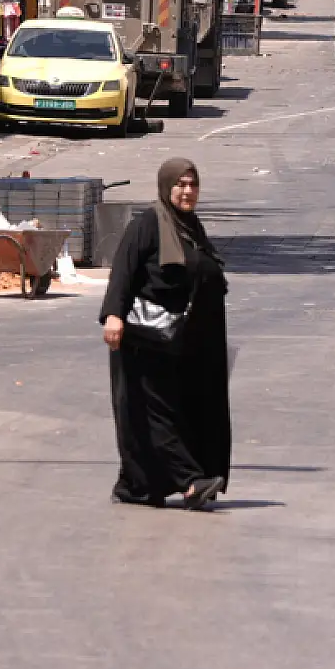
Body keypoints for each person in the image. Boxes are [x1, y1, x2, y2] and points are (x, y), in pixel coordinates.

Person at [101, 158, 232, 510]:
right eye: (181, 184)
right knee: (155, 412)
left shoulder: (190, 227)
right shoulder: (148, 224)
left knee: (174, 410)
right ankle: (190, 482)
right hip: (144, 339)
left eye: (193, 184)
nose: (187, 191)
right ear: (166, 187)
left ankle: (136, 486)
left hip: (180, 344)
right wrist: (113, 315)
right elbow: (124, 272)